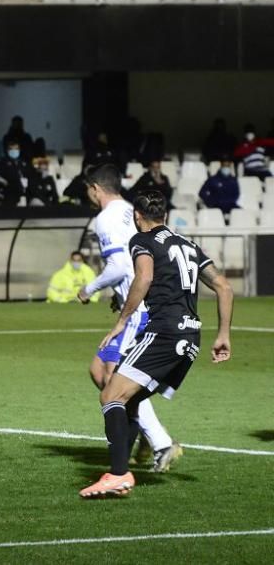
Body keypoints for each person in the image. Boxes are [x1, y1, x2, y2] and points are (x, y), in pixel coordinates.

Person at [80, 190, 233, 498]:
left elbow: (144, 277)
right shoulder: (188, 244)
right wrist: (224, 335)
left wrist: (121, 321)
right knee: (131, 399)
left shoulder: (142, 241)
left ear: (138, 216)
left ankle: (119, 475)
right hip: (191, 339)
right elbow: (224, 286)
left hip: (163, 333)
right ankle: (141, 453)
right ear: (164, 215)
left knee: (110, 394)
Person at [78, 165, 177, 471]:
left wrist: (89, 288)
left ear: (95, 188)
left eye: (87, 191)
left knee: (116, 379)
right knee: (99, 371)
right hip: (137, 304)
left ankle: (159, 442)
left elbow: (120, 267)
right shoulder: (130, 211)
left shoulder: (105, 218)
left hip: (139, 311)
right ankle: (145, 433)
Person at [0, 140, 28, 207]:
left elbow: (26, 175)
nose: (14, 151)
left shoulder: (22, 162)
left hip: (21, 193)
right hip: (6, 192)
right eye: (11, 149)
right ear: (7, 150)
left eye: (16, 149)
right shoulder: (1, 161)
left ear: (19, 150)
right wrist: (5, 182)